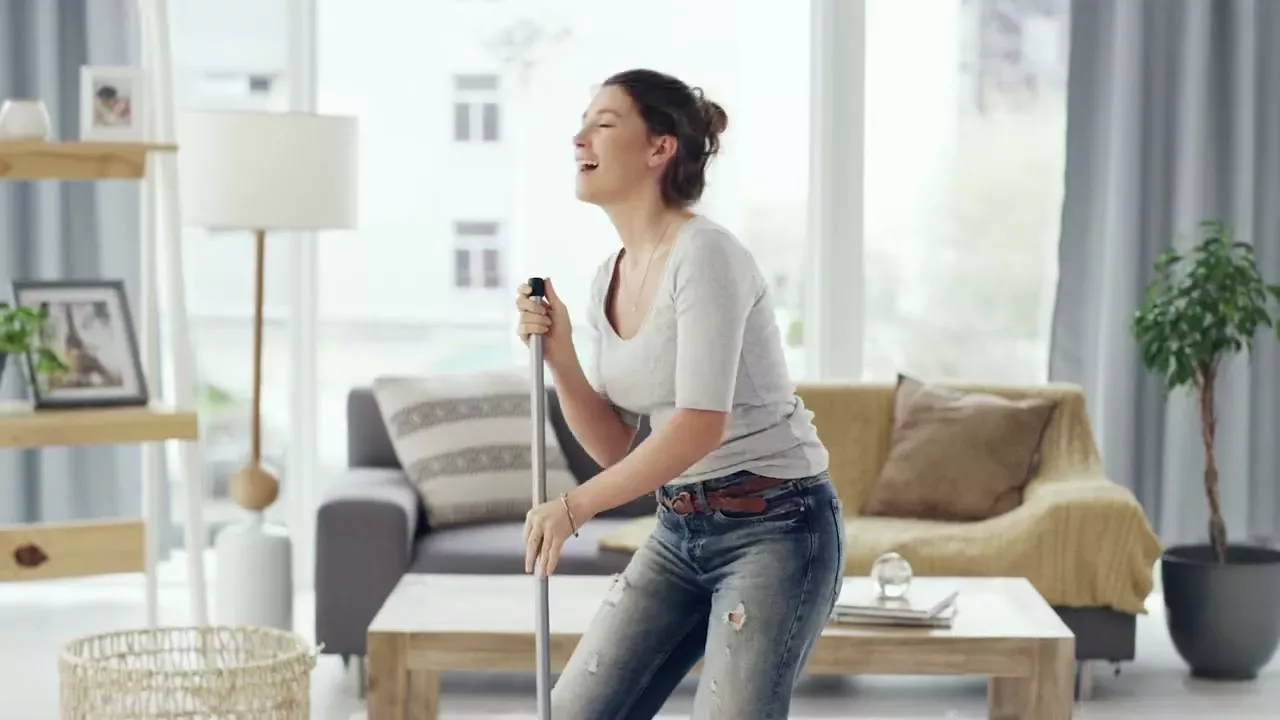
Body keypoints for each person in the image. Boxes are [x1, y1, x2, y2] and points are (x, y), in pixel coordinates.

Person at [514, 68, 844, 719]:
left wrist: (574, 507)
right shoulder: (608, 277)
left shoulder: (706, 256)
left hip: (776, 527)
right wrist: (561, 357)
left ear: (659, 148)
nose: (579, 138)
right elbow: (615, 446)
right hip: (678, 527)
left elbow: (698, 426)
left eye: (603, 123)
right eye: (582, 123)